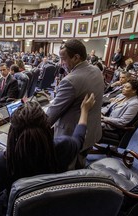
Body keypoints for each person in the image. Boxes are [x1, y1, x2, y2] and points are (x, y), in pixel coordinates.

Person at [0, 94, 96, 215]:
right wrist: (84, 110)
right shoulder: (63, 147)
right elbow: (79, 138)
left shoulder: (1, 161)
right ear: (48, 129)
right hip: (53, 208)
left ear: (12, 133)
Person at [46, 39, 104, 169]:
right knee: (80, 160)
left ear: (76, 57)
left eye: (63, 59)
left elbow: (50, 117)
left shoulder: (71, 81)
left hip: (71, 135)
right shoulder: (96, 70)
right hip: (92, 131)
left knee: (66, 170)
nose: (61, 63)